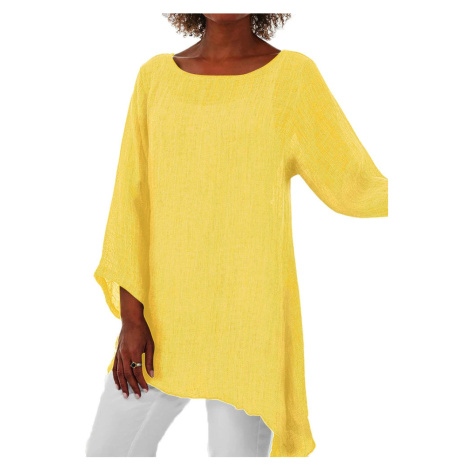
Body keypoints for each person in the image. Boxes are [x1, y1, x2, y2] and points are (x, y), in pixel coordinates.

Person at [85, 13, 388, 458]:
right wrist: (131, 319)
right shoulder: (154, 78)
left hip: (248, 327)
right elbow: (131, 202)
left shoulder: (292, 78)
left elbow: (353, 183)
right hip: (160, 324)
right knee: (106, 452)